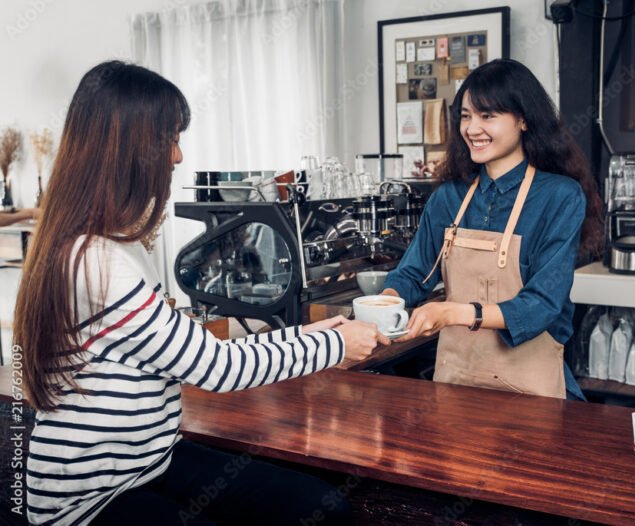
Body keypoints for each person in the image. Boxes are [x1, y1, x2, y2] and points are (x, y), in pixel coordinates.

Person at [14, 61, 387, 526]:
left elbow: (200, 349)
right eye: (170, 138)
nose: (178, 157)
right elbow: (216, 368)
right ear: (129, 147)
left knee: (323, 507)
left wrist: (312, 334)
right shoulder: (94, 261)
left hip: (152, 463)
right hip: (92, 500)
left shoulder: (120, 244)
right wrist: (334, 346)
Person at [382, 59, 602, 400]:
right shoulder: (448, 197)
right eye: (466, 116)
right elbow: (413, 275)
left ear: (524, 119)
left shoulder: (559, 196)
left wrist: (452, 312)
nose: (472, 128)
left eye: (488, 116)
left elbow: (543, 303)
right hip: (456, 383)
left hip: (531, 388)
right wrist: (384, 303)